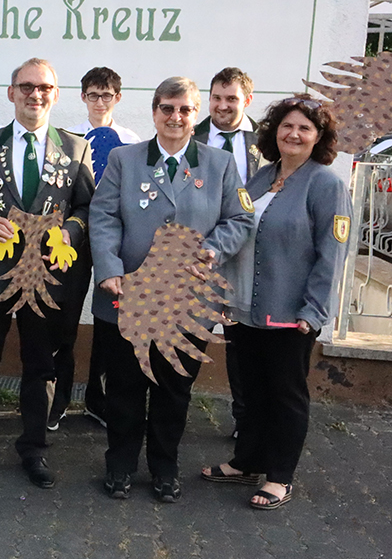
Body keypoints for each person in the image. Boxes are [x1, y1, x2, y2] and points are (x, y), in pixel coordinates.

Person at [90, 76, 252, 503]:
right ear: (154, 111)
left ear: (195, 114)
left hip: (187, 302)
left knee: (173, 390)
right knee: (125, 389)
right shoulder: (125, 160)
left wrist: (213, 251)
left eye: (184, 110)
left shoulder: (218, 165)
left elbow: (239, 219)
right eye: (167, 108)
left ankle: (164, 467)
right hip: (127, 295)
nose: (176, 117)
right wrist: (108, 269)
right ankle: (120, 465)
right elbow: (104, 216)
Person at [0, 58, 95, 488]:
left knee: (40, 367)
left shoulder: (75, 149)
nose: (35, 95)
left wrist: (69, 230)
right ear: (11, 93)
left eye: (44, 88)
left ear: (55, 94)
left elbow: (87, 207)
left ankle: (33, 448)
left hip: (46, 278)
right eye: (26, 86)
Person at [202, 95, 349, 510]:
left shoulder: (326, 185)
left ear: (318, 137)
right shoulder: (261, 178)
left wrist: (313, 312)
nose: (294, 134)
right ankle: (246, 462)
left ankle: (279, 476)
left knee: (286, 395)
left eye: (304, 128)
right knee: (251, 390)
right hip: (244, 309)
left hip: (290, 315)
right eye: (287, 126)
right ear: (274, 132)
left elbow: (331, 254)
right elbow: (237, 234)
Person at [56, 67, 141, 430]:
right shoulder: (69, 139)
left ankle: (97, 398)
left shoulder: (132, 141)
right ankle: (57, 399)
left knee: (109, 321)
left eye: (107, 95)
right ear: (83, 97)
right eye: (93, 95)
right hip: (75, 238)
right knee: (65, 317)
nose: (100, 102)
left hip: (115, 241)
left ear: (117, 98)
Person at [193, 67, 263, 439]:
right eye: (217, 98)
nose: (222, 106)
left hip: (248, 260)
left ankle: (246, 421)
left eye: (231, 99)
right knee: (187, 339)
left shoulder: (267, 141)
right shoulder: (190, 134)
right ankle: (168, 411)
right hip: (199, 260)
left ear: (247, 101)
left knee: (242, 348)